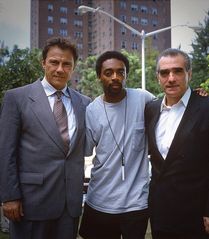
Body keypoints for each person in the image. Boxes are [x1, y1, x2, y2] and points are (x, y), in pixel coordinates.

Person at [0, 37, 91, 239]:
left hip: (70, 205)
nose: (60, 69)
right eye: (54, 62)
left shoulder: (84, 103)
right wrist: (9, 197)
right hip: (31, 203)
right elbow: (6, 152)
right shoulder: (17, 98)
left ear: (73, 67)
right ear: (43, 63)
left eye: (67, 64)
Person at [145, 48, 209, 239]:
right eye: (164, 73)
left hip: (196, 216)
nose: (171, 78)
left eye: (177, 71)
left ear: (189, 74)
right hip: (160, 213)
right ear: (158, 77)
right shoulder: (151, 109)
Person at [79, 51, 155, 239]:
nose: (115, 77)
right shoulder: (92, 110)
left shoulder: (143, 98)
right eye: (108, 72)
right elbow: (86, 150)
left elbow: (170, 109)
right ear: (99, 76)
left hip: (136, 203)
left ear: (126, 74)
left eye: (120, 72)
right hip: (99, 200)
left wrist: (194, 97)